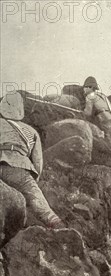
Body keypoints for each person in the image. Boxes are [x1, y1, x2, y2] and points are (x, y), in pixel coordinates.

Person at [0, 92, 64, 228]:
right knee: (40, 205)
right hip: (19, 170)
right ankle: (58, 226)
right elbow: (38, 162)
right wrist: (35, 179)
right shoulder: (31, 131)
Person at [82, 76, 111, 142]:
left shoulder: (90, 96)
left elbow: (88, 113)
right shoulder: (102, 95)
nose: (83, 89)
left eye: (85, 87)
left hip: (103, 119)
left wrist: (81, 113)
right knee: (109, 138)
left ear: (90, 87)